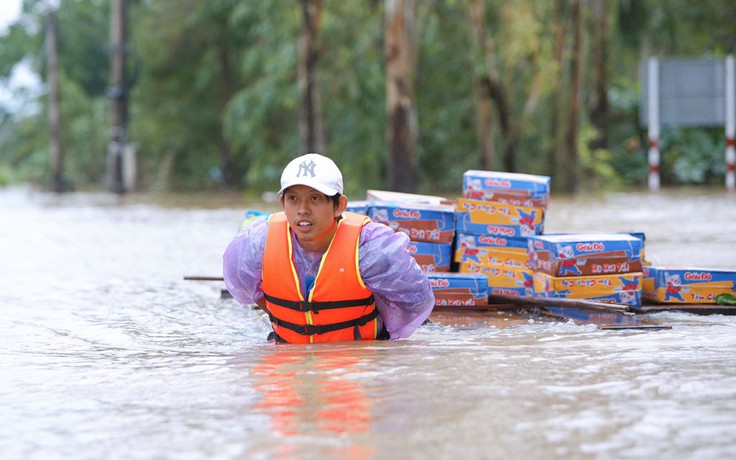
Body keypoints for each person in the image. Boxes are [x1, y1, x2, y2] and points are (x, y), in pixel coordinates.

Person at [222, 153, 435, 343]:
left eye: (315, 198)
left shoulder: (369, 247)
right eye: (293, 199)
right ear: (282, 203)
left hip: (357, 358)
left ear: (339, 206)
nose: (303, 210)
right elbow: (243, 286)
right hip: (288, 348)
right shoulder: (258, 242)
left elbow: (416, 301)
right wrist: (284, 318)